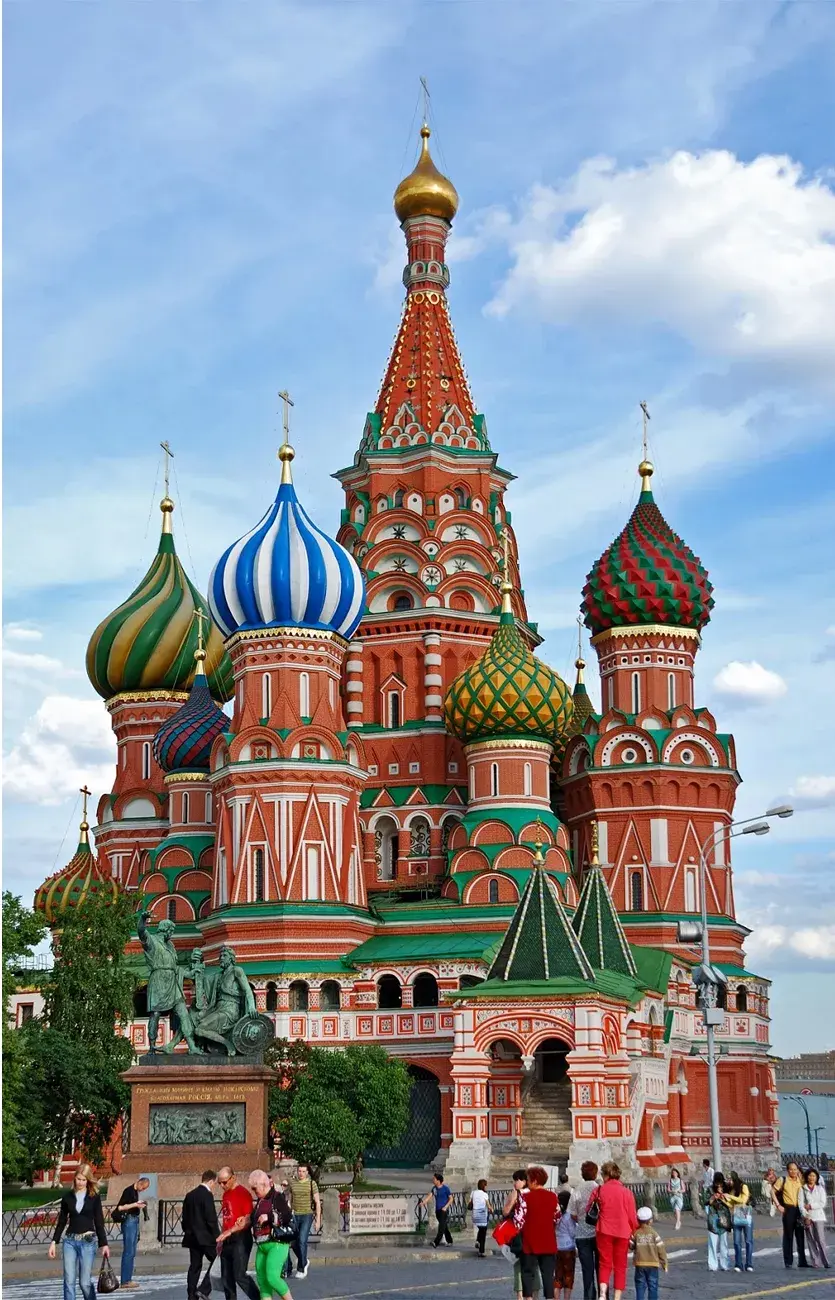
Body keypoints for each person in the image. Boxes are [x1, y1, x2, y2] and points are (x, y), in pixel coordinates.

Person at [48, 1163, 110, 1300]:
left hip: (88, 1242)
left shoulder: (94, 1197)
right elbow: (62, 1222)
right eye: (78, 1179)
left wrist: (104, 1244)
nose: (81, 1182)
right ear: (74, 1178)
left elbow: (99, 1222)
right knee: (69, 1281)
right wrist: (54, 1242)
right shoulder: (67, 1197)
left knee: (85, 1283)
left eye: (84, 1180)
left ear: (88, 1180)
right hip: (70, 1242)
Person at [594, 1161, 638, 1300]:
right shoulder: (627, 1192)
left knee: (605, 1263)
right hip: (623, 1232)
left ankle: (602, 1293)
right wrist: (634, 1232)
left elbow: (589, 1208)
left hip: (603, 1230)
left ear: (606, 1175)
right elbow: (632, 1217)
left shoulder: (599, 1190)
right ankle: (617, 1297)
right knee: (620, 1266)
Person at [249, 1169, 295, 1300]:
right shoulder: (260, 1200)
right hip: (262, 1244)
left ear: (263, 1184)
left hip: (277, 1243)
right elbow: (255, 1217)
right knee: (263, 1281)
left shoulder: (277, 1196)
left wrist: (268, 1217)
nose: (254, 1191)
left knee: (273, 1278)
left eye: (255, 1188)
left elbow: (286, 1215)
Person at [216, 1166, 260, 1299]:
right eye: (219, 1183)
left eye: (225, 1182)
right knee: (226, 1277)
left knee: (239, 1275)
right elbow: (226, 1218)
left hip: (241, 1238)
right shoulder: (226, 1194)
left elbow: (248, 1220)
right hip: (227, 1239)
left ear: (233, 1178)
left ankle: (258, 1298)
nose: (222, 1185)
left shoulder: (243, 1193)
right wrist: (222, 1238)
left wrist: (230, 1231)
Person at [520, 1165, 559, 1300]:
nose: (527, 1182)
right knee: (548, 1274)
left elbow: (519, 1219)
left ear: (535, 1181)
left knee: (527, 1273)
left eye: (528, 1179)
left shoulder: (525, 1197)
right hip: (548, 1240)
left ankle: (529, 1298)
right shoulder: (553, 1196)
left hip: (530, 1240)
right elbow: (557, 1217)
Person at [182, 1170, 220, 1300]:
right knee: (219, 1261)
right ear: (210, 1181)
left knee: (195, 1266)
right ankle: (204, 1289)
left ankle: (191, 1295)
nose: (214, 1186)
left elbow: (184, 1218)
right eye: (214, 1183)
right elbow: (211, 1218)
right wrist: (217, 1236)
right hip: (206, 1237)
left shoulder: (190, 1195)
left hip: (192, 1237)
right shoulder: (207, 1195)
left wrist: (188, 1231)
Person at [502, 1169, 537, 1300]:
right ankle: (534, 1294)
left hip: (519, 1234)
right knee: (534, 1266)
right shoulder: (534, 1193)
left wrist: (511, 1200)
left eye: (517, 1180)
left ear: (524, 1181)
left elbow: (505, 1212)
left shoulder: (517, 1194)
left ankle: (521, 1295)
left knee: (519, 1266)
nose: (515, 1182)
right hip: (533, 1234)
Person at [568, 1160, 600, 1300]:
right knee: (600, 1269)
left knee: (587, 1271)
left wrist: (581, 1221)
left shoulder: (577, 1190)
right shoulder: (599, 1189)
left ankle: (589, 1297)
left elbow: (572, 1214)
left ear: (582, 1174)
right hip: (598, 1233)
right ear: (595, 1173)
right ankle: (603, 1296)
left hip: (581, 1235)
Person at [112, 1175, 150, 1289]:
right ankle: (125, 1280)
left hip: (134, 1221)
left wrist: (139, 1204)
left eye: (144, 1189)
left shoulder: (135, 1192)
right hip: (129, 1221)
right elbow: (120, 1207)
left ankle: (128, 1278)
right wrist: (136, 1204)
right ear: (139, 1182)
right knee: (128, 1251)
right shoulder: (128, 1191)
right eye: (143, 1187)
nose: (142, 1189)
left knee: (132, 1251)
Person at [287, 1161, 321, 1279]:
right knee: (294, 1242)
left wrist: (318, 1220)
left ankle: (301, 1268)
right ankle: (305, 1260)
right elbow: (290, 1199)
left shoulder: (312, 1184)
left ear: (307, 1172)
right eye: (299, 1171)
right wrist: (289, 1213)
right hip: (295, 1215)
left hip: (307, 1215)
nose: (301, 1173)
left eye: (303, 1171)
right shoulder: (293, 1183)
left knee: (302, 1240)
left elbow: (317, 1202)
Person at [774, 1161, 809, 1269]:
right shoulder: (782, 1180)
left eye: (795, 1169)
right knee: (788, 1236)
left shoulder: (800, 1180)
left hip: (798, 1209)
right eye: (791, 1169)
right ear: (788, 1170)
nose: (793, 1171)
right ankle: (788, 1261)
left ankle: (802, 1261)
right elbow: (772, 1191)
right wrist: (778, 1205)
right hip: (788, 1209)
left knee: (800, 1235)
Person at [631, 1206, 667, 1300]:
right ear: (650, 1221)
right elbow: (661, 1249)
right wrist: (664, 1263)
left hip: (640, 1264)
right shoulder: (654, 1234)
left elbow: (631, 1245)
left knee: (640, 1286)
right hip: (653, 1264)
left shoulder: (636, 1233)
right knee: (653, 1286)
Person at [799, 1169, 830, 1269]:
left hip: (819, 1216)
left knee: (820, 1239)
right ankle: (816, 1262)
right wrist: (806, 1215)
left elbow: (822, 1203)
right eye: (810, 1176)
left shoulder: (820, 1189)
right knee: (811, 1240)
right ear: (807, 1177)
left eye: (813, 1176)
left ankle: (825, 1261)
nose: (811, 1178)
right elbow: (800, 1205)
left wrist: (811, 1206)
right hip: (808, 1217)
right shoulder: (802, 1189)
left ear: (816, 1178)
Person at [725, 1171, 753, 1272]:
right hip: (736, 1216)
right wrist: (723, 1199)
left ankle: (749, 1264)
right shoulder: (731, 1190)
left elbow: (743, 1200)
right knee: (737, 1242)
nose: (729, 1181)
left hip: (745, 1215)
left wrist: (730, 1197)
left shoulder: (743, 1186)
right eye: (727, 1180)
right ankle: (738, 1264)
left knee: (748, 1241)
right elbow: (731, 1204)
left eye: (730, 1179)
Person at [706, 1173, 732, 1272]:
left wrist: (724, 1197)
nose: (719, 1186)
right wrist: (713, 1198)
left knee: (724, 1243)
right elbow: (706, 1202)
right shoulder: (710, 1190)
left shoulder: (727, 1190)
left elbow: (730, 1203)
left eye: (721, 1184)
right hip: (713, 1219)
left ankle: (724, 1264)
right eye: (717, 1184)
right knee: (712, 1243)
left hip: (724, 1219)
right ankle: (712, 1265)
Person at [555, 1185, 576, 1300]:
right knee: (568, 1276)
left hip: (557, 1247)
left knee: (557, 1277)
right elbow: (573, 1233)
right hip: (568, 1247)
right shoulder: (568, 1217)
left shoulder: (557, 1216)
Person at [421, 1172, 453, 1248]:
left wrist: (445, 1207)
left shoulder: (445, 1188)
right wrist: (424, 1202)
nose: (433, 1180)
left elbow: (451, 1198)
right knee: (444, 1226)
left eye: (434, 1179)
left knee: (441, 1227)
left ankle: (436, 1242)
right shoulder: (434, 1188)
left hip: (444, 1211)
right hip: (438, 1210)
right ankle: (450, 1241)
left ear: (438, 1180)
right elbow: (430, 1196)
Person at [469, 1178, 490, 1257]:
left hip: (475, 1214)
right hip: (482, 1214)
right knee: (483, 1232)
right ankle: (481, 1251)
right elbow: (488, 1204)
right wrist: (491, 1209)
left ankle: (478, 1241)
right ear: (484, 1186)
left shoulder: (473, 1192)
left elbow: (470, 1202)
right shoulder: (485, 1194)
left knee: (481, 1229)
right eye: (486, 1185)